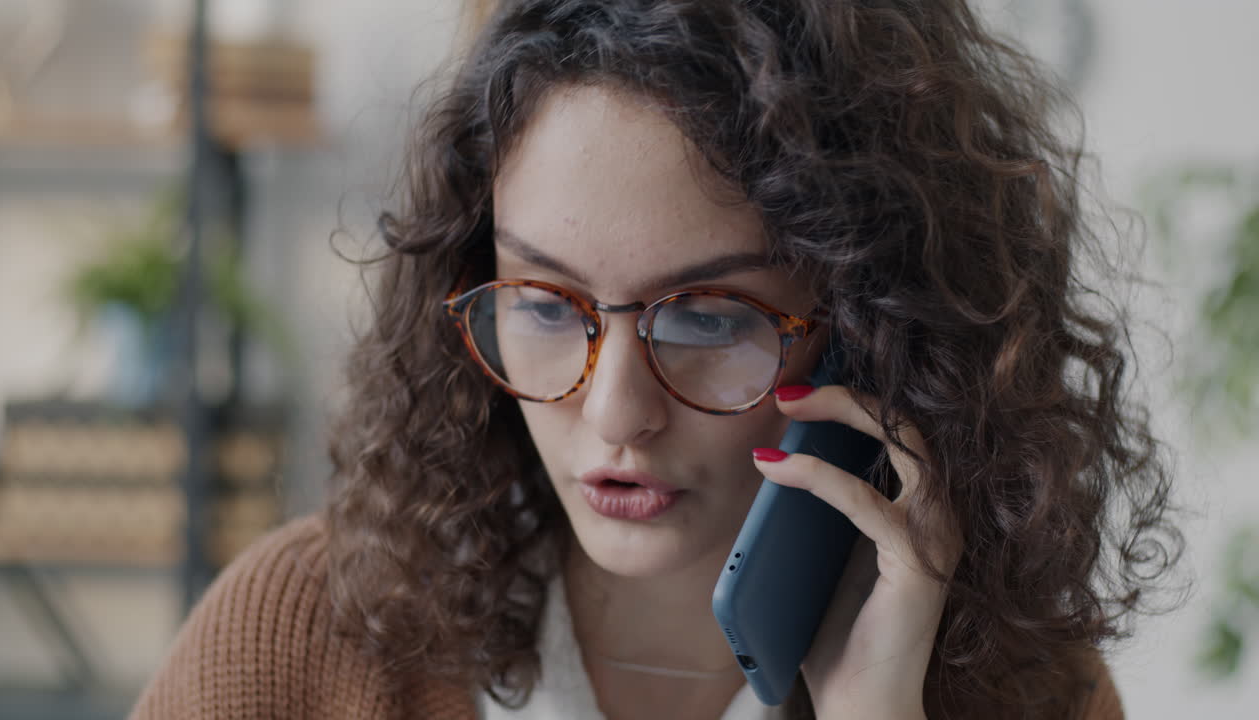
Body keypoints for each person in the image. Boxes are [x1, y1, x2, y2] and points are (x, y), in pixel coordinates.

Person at [130, 1, 1184, 718]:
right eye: (545, 304)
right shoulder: (303, 638)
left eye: (710, 320)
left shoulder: (1021, 690)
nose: (614, 413)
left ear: (872, 329)